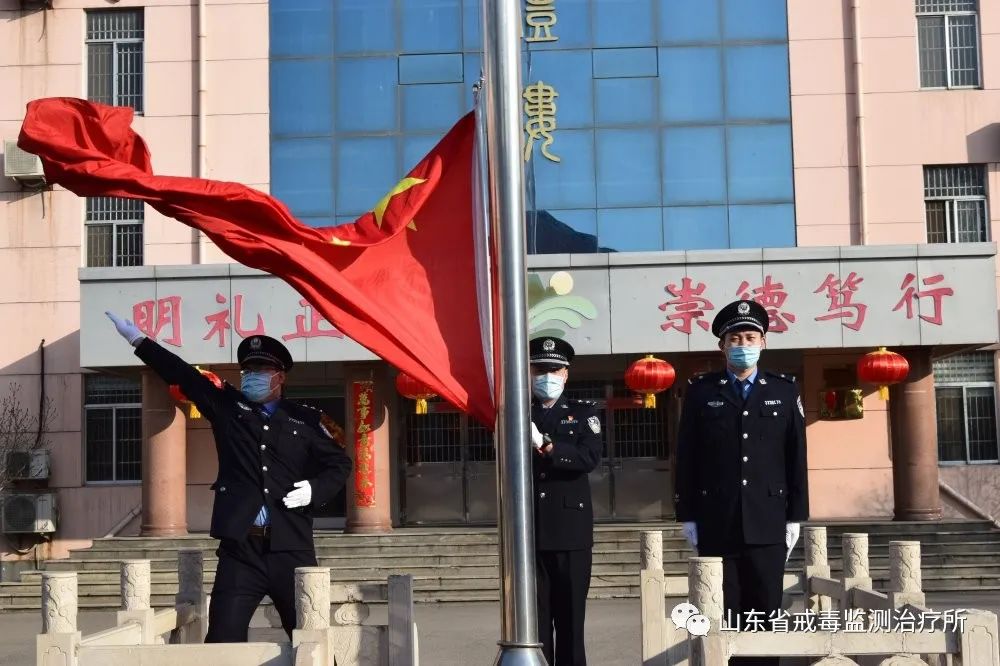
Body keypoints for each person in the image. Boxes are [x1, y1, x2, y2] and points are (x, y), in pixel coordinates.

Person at [106, 311, 352, 643]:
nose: (252, 376)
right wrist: (137, 339)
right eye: (248, 370)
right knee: (223, 638)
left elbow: (340, 464)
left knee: (311, 638)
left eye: (261, 371)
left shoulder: (306, 420)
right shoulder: (228, 408)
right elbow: (183, 374)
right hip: (241, 549)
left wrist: (314, 490)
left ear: (280, 377)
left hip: (291, 546)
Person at [673, 300, 808, 666]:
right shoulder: (702, 392)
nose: (742, 344)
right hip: (718, 521)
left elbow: (796, 459)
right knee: (723, 613)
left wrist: (795, 516)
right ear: (722, 346)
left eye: (750, 336)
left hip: (768, 523)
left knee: (764, 613)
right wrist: (686, 513)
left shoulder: (784, 390)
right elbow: (686, 457)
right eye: (735, 338)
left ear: (763, 342)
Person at [529, 336, 603, 666]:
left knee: (571, 620)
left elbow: (589, 457)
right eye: (540, 370)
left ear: (566, 374)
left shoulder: (582, 413)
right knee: (537, 622)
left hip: (570, 532)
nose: (547, 377)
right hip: (529, 530)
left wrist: (548, 447)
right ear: (529, 373)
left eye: (554, 370)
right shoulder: (518, 413)